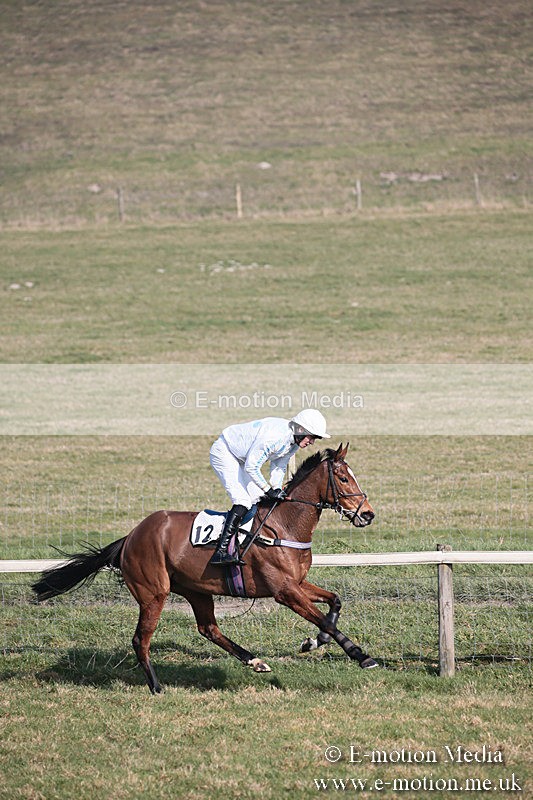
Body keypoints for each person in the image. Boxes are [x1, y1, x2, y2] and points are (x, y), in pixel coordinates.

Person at [209, 409, 330, 566]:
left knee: (257, 499)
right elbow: (252, 467)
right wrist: (268, 489)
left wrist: (277, 488)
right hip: (225, 452)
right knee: (243, 501)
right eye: (312, 436)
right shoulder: (274, 437)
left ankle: (241, 542)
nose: (312, 442)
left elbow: (278, 467)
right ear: (301, 429)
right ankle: (220, 551)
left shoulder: (293, 443)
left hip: (242, 459)